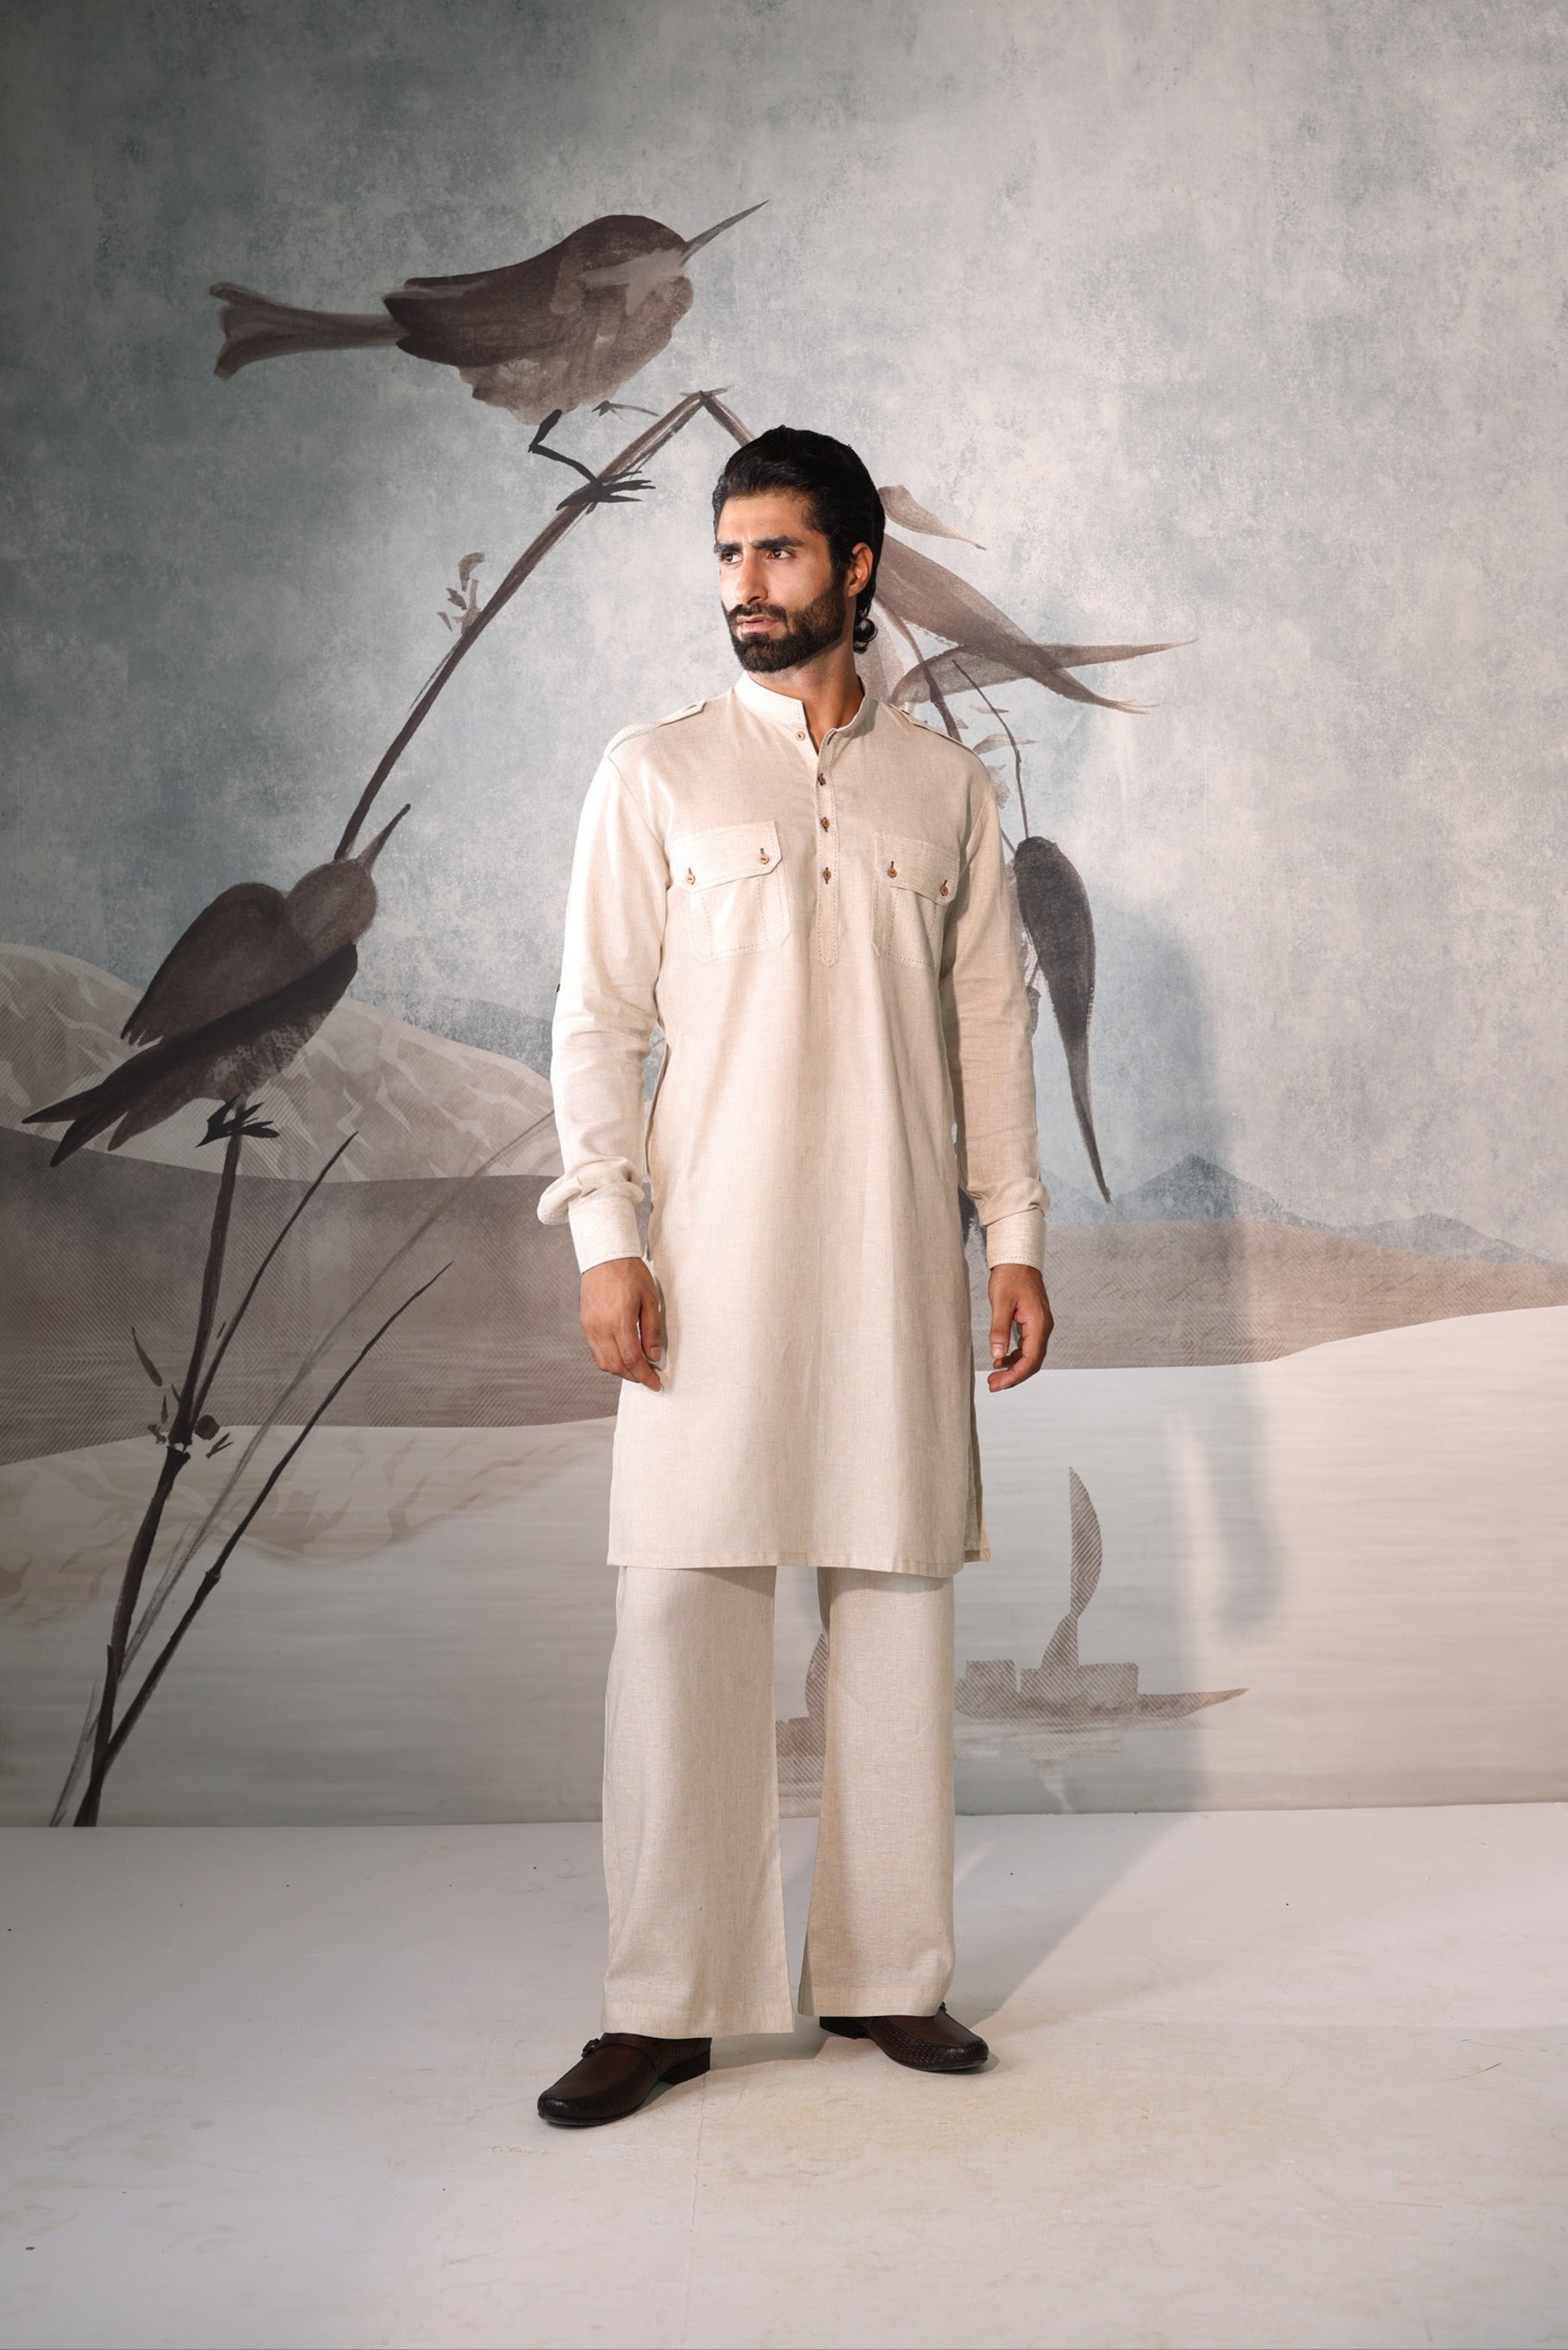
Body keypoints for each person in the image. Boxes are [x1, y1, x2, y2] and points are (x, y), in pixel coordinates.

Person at [533, 426, 1053, 2127]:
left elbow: (991, 1025)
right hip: (706, 1261)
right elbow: (596, 1025)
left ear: (853, 569)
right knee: (681, 1606)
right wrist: (610, 1239)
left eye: (773, 553)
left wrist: (1019, 1235)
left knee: (897, 1599)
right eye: (726, 554)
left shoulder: (941, 788)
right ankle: (663, 2000)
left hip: (898, 1253)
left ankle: (889, 1977)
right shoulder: (656, 773)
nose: (742, 586)